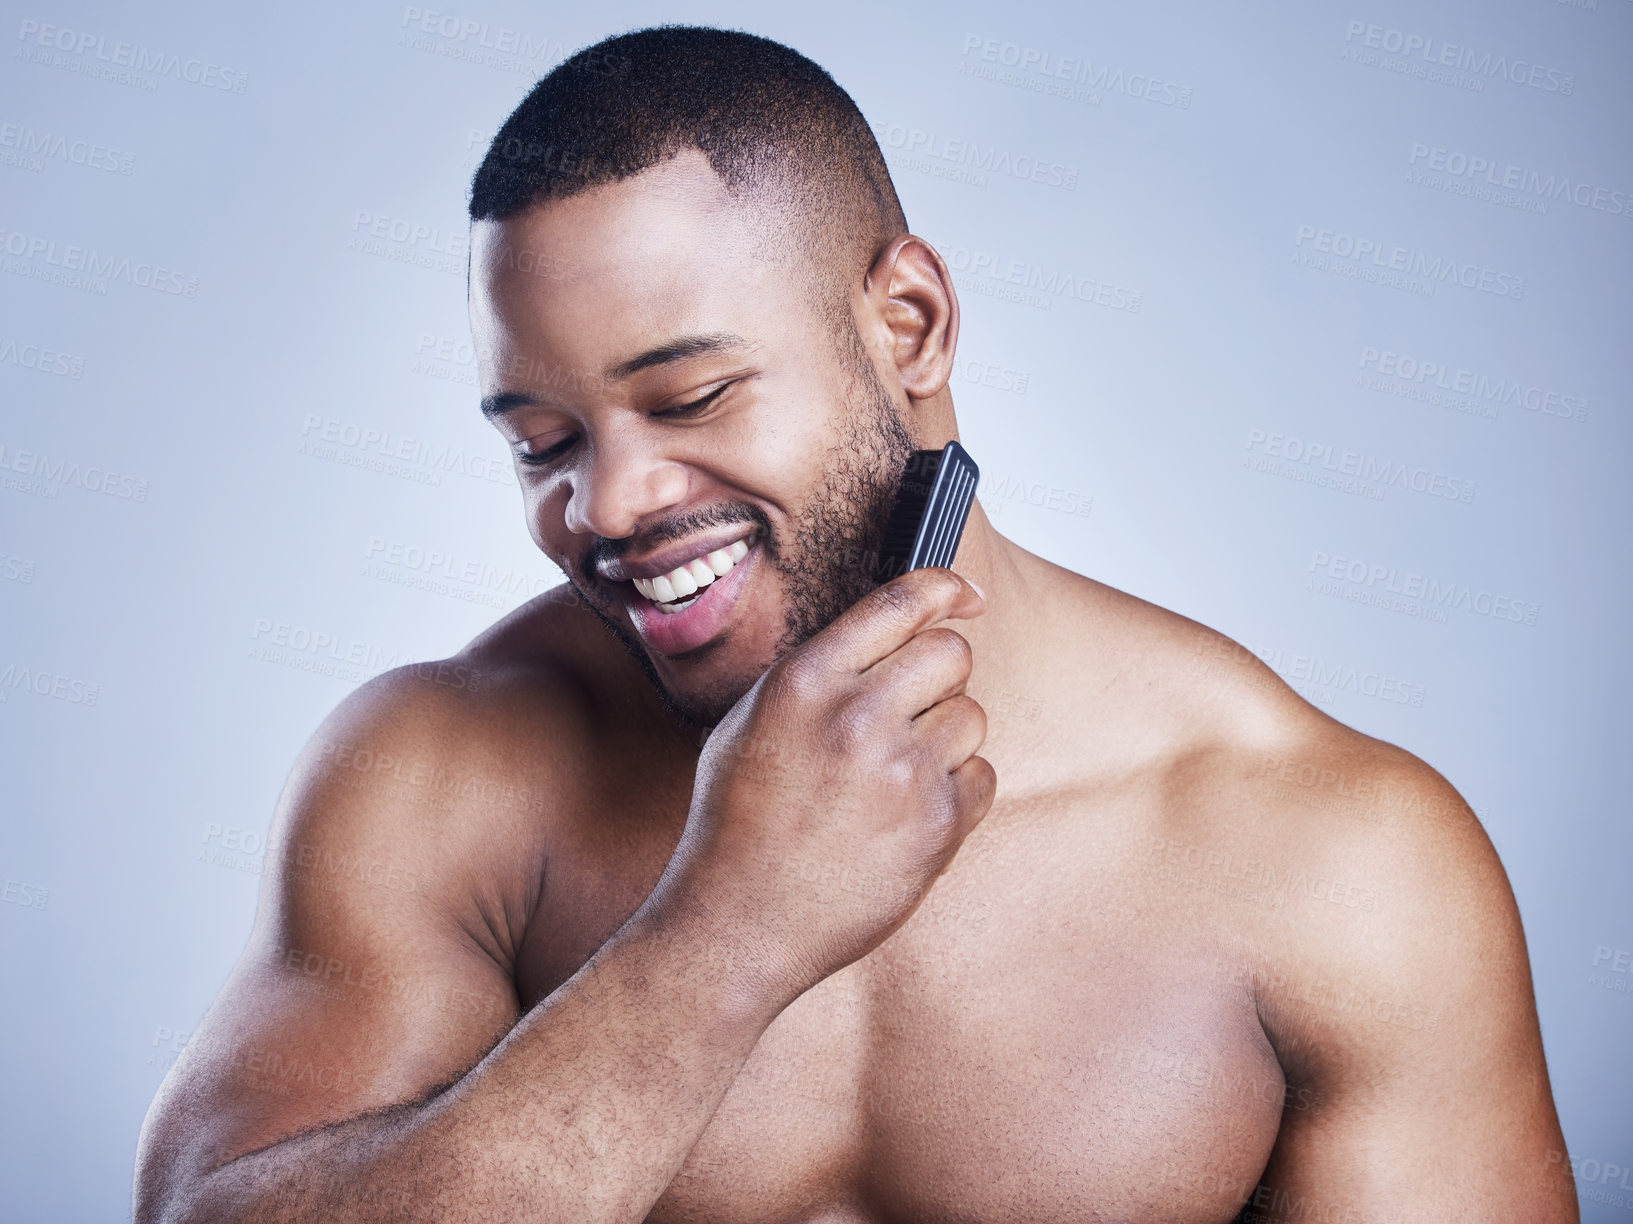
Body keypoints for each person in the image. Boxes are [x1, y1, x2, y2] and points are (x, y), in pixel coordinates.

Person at [134, 25, 1576, 1224]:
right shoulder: (442, 772)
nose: (611, 502)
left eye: (691, 398)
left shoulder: (1330, 855)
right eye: (541, 442)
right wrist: (723, 932)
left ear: (907, 326)